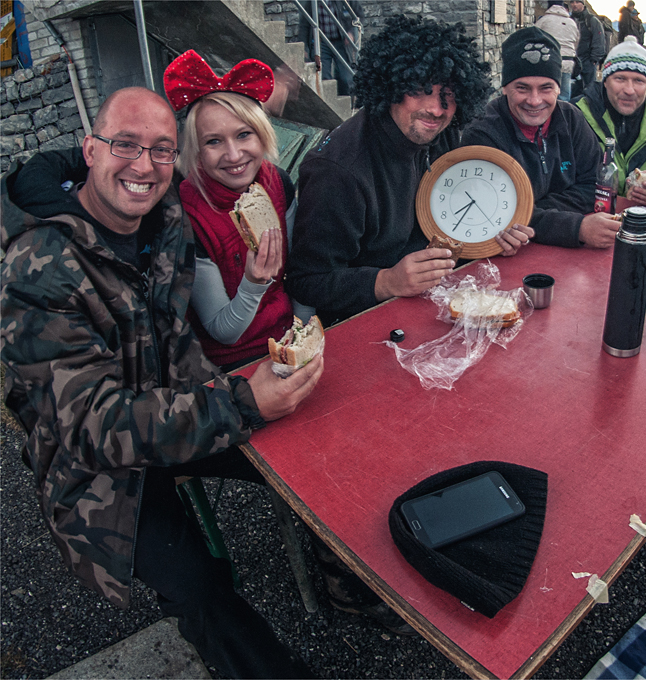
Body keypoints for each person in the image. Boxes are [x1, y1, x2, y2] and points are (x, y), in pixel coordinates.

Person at [1, 86, 324, 678]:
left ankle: (356, 576)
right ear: (89, 151)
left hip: (186, 405)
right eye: (125, 146)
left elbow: (179, 338)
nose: (144, 166)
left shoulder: (164, 215)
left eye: (161, 151)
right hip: (99, 467)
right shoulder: (38, 270)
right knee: (198, 589)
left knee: (313, 447)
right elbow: (92, 426)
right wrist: (243, 401)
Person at [286, 15, 501, 326]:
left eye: (449, 95)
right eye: (419, 90)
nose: (436, 109)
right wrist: (386, 282)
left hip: (436, 304)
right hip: (363, 324)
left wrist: (492, 233)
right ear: (391, 85)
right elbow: (307, 280)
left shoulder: (444, 136)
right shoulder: (338, 170)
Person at [162, 50, 314, 372]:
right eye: (214, 142)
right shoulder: (188, 215)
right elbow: (223, 331)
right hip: (238, 361)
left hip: (292, 335)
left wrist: (300, 334)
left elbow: (301, 269)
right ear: (197, 151)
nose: (234, 155)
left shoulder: (278, 182)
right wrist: (253, 284)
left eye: (244, 134)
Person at [460, 27, 619, 249]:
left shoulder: (571, 118)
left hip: (555, 246)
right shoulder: (482, 133)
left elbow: (595, 186)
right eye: (522, 88)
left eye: (546, 88)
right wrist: (575, 227)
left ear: (559, 88)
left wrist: (535, 210)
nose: (535, 101)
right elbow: (491, 212)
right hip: (511, 254)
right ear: (505, 88)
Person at [576, 36, 646, 208]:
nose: (629, 90)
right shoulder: (577, 115)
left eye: (639, 81)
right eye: (620, 78)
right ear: (605, 81)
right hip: (586, 216)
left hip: (641, 223)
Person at [309, 0, 362, 96]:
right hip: (321, 42)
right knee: (324, 77)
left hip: (341, 41)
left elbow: (358, 14)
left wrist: (351, 32)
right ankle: (329, 106)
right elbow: (305, 22)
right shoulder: (312, 1)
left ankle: (347, 105)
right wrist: (305, 46)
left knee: (346, 78)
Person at [536, 0, 580, 102]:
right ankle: (563, 116)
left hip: (549, 60)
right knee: (564, 95)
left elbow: (534, 37)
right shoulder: (571, 23)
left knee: (548, 92)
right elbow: (576, 42)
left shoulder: (544, 20)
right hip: (568, 61)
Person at [568, 0, 607, 90]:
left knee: (590, 89)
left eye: (577, 2)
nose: (574, 4)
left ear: (583, 4)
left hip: (588, 61)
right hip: (572, 60)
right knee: (573, 90)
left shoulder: (592, 21)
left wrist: (594, 59)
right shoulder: (569, 20)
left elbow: (599, 40)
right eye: (572, 2)